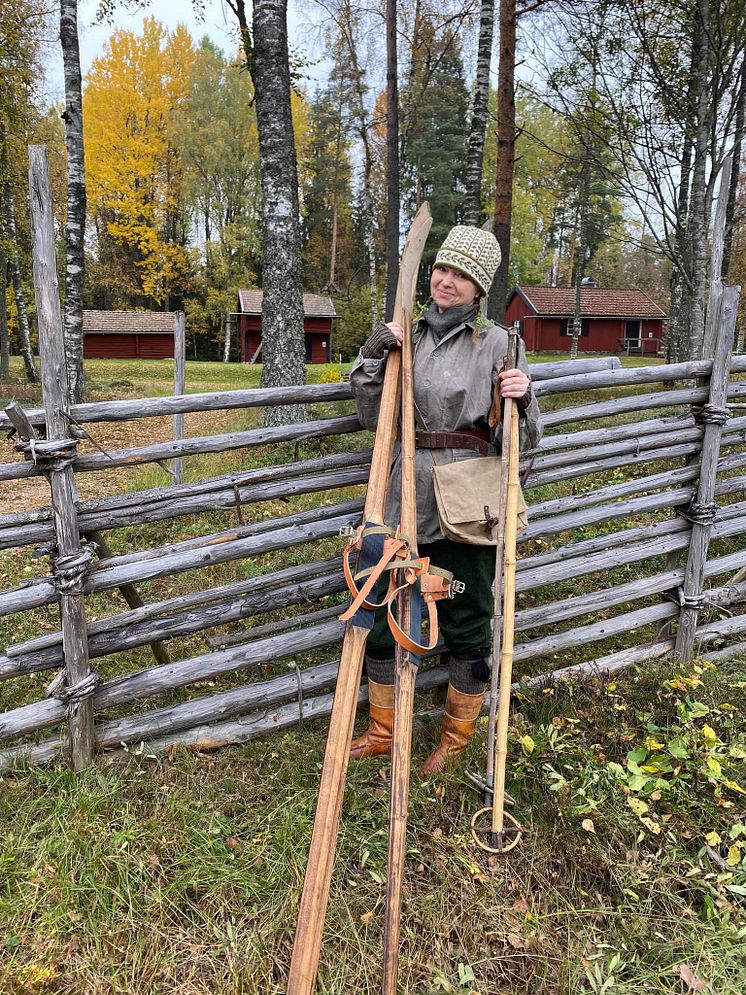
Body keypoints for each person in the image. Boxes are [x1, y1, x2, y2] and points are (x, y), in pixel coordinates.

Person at [348, 224, 541, 774]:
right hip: (401, 490)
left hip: (467, 500)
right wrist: (371, 357)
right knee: (383, 606)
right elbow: (370, 416)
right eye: (440, 269)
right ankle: (384, 728)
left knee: (466, 616)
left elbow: (521, 444)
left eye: (460, 274)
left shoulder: (501, 345)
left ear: (479, 288)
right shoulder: (404, 335)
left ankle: (455, 739)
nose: (445, 280)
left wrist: (523, 402)